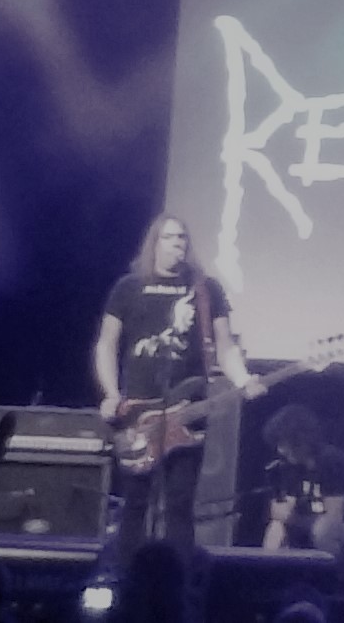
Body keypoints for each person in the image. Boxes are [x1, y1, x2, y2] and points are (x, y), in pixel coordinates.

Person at [95, 213, 264, 565]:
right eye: (170, 237)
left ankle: (178, 579)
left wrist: (242, 378)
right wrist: (111, 393)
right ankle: (127, 578)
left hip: (188, 411)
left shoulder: (206, 290)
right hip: (138, 412)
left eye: (182, 238)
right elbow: (107, 344)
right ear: (154, 243)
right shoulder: (129, 287)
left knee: (180, 503)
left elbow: (225, 346)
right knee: (135, 504)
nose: (178, 244)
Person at [261, 403, 344, 592]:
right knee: (277, 525)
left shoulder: (330, 461)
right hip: (318, 532)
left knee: (324, 529)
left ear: (300, 440)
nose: (280, 451)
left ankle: (332, 586)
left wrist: (291, 518)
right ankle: (268, 578)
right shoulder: (291, 468)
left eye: (283, 443)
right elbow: (282, 514)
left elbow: (334, 519)